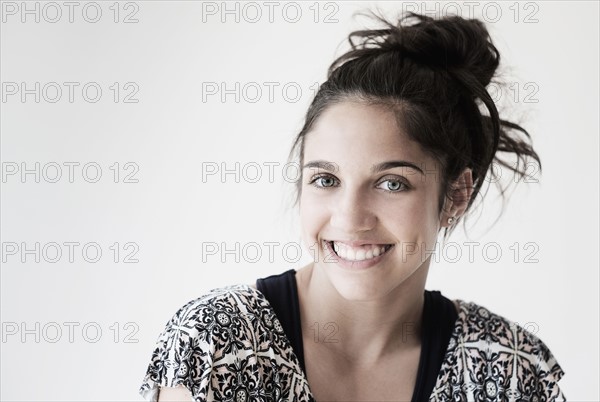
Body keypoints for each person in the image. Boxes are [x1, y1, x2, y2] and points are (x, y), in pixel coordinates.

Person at [139, 11, 566, 402]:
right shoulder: (216, 345)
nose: (349, 217)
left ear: (456, 195)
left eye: (391, 183)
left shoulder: (510, 371)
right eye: (326, 179)